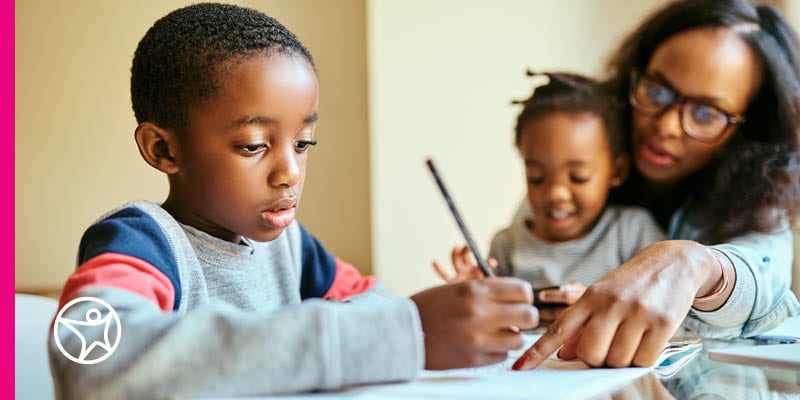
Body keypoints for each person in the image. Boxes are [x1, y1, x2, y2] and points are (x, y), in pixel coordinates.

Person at [47, 4, 538, 398]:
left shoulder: (292, 249)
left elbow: (373, 301)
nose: (290, 172)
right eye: (254, 145)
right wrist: (392, 336)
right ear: (164, 148)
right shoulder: (141, 241)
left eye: (303, 143)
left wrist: (429, 319)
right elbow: (90, 362)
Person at [514, 0, 800, 371]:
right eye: (658, 91)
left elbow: (767, 277)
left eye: (705, 113)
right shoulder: (580, 152)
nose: (665, 126)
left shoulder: (760, 192)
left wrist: (697, 265)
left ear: (747, 131)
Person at [433, 72, 664, 320]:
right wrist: (473, 296)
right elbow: (492, 326)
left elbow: (666, 308)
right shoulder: (506, 247)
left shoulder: (632, 232)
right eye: (536, 177)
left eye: (578, 177)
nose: (556, 193)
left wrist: (600, 308)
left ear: (617, 171)